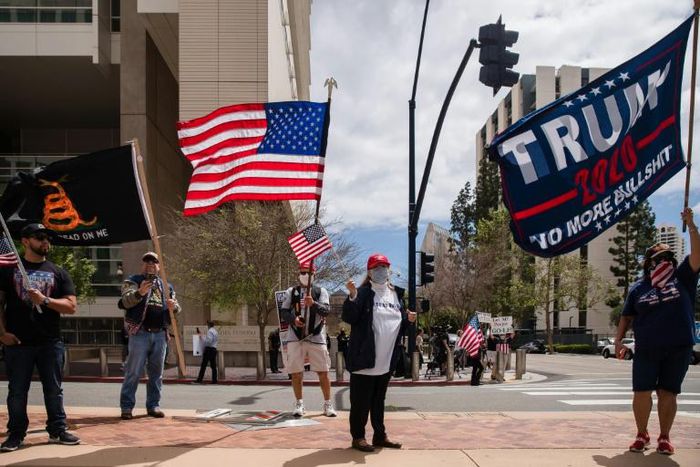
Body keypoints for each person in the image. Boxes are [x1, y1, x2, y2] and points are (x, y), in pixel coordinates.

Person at [616, 207, 699, 456]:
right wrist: (619, 341)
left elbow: (697, 255)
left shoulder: (682, 276)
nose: (664, 260)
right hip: (647, 347)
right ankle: (642, 434)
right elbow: (626, 316)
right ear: (649, 262)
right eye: (659, 256)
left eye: (668, 256)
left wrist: (692, 225)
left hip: (678, 346)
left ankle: (664, 437)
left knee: (668, 392)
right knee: (641, 391)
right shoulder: (639, 287)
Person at [0, 223, 80, 451]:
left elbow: (71, 306)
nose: (46, 241)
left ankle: (57, 429)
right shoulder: (8, 269)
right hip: (18, 343)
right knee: (17, 391)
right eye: (40, 237)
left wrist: (44, 300)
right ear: (25, 241)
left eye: (47, 238)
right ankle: (16, 434)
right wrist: (2, 334)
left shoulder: (58, 272)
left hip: (50, 342)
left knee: (54, 389)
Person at [342, 253, 417, 452]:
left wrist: (408, 318)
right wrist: (351, 296)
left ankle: (380, 435)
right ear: (369, 271)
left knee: (378, 401)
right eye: (377, 267)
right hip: (365, 359)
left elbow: (396, 323)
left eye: (384, 267)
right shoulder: (362, 293)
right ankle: (358, 437)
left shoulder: (395, 294)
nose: (381, 271)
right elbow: (349, 317)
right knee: (360, 402)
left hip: (386, 359)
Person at [119, 251, 180, 420]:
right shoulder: (132, 281)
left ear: (159, 267)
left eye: (154, 262)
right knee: (133, 372)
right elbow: (125, 301)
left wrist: (173, 306)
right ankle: (127, 407)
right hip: (139, 333)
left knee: (156, 374)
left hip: (160, 334)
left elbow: (177, 309)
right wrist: (139, 293)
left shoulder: (167, 286)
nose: (150, 264)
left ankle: (153, 405)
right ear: (142, 265)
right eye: (147, 262)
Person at [280, 262, 336, 418]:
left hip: (316, 336)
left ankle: (327, 403)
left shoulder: (321, 291)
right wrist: (293, 319)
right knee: (296, 373)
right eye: (302, 272)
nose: (305, 276)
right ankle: (299, 403)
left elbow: (326, 311)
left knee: (323, 372)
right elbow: (284, 311)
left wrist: (314, 304)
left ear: (314, 275)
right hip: (295, 337)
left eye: (308, 273)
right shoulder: (292, 292)